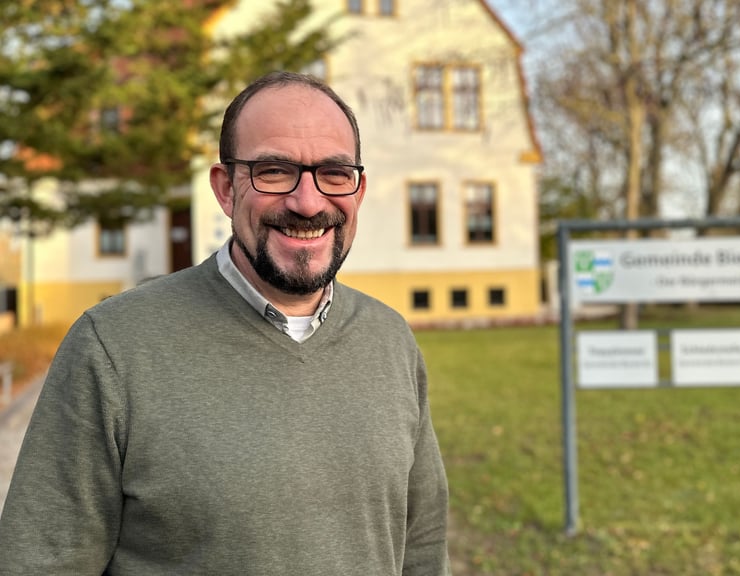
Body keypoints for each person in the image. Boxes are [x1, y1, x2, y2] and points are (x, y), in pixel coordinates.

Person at [0, 71, 450, 575]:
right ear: (225, 188)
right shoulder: (114, 348)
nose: (308, 201)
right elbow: (40, 561)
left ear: (358, 189)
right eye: (274, 171)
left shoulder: (390, 341)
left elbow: (422, 544)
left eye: (334, 172)